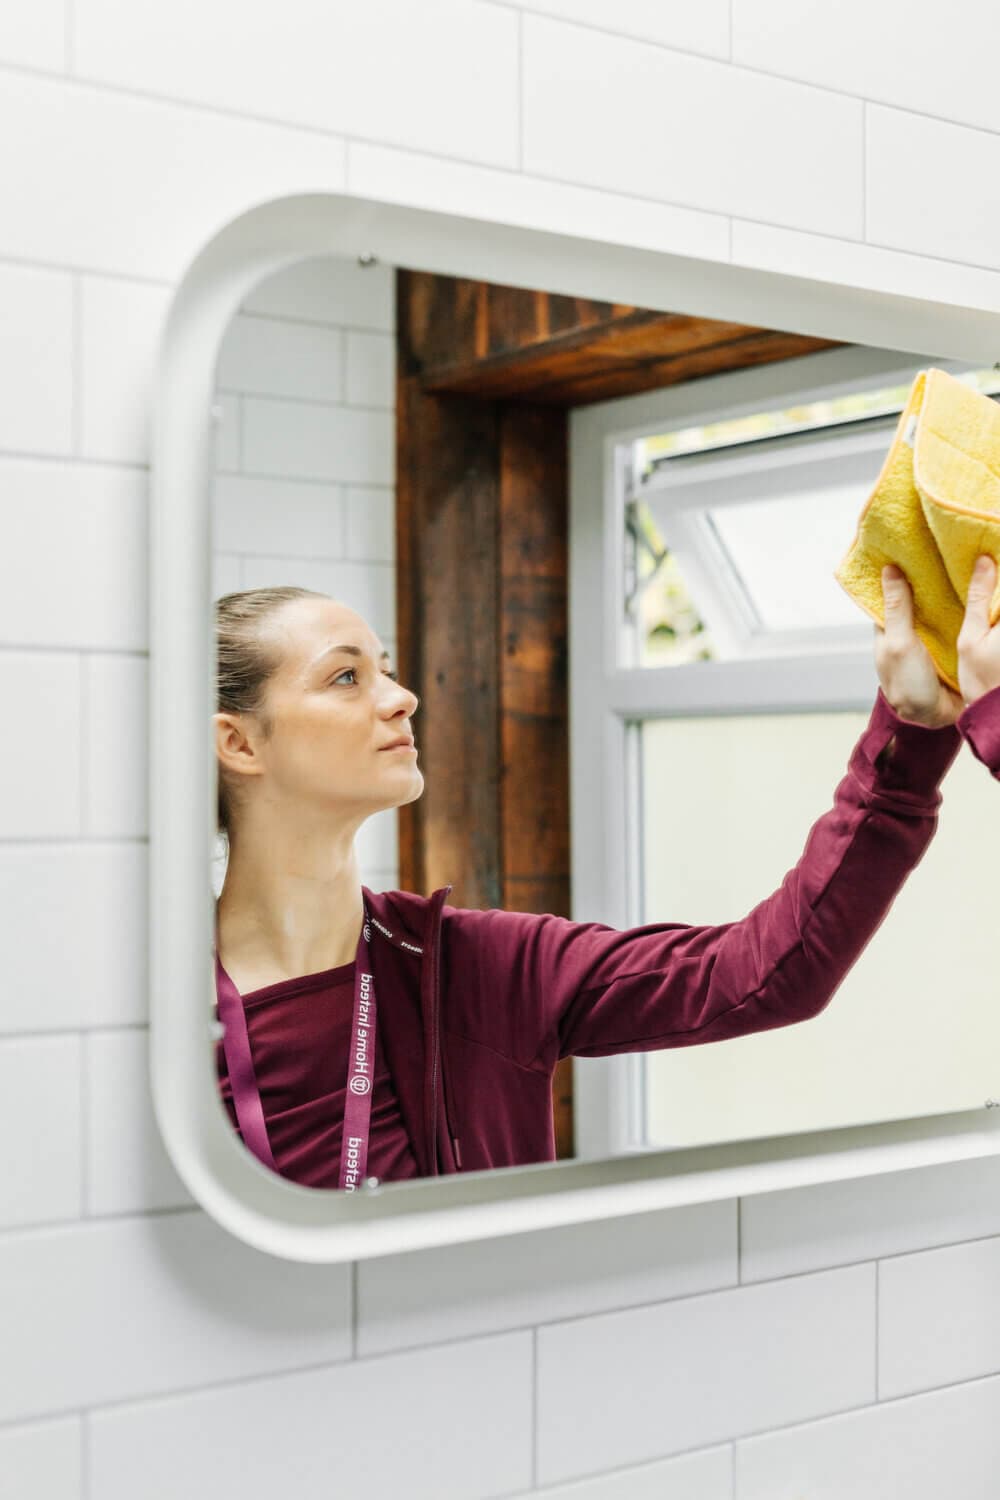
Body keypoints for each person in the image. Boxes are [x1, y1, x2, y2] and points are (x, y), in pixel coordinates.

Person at [212, 557, 1000, 1191]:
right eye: (346, 678)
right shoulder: (156, 1019)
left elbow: (761, 974)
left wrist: (908, 740)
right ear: (239, 743)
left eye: (387, 670)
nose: (403, 698)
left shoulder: (479, 970)